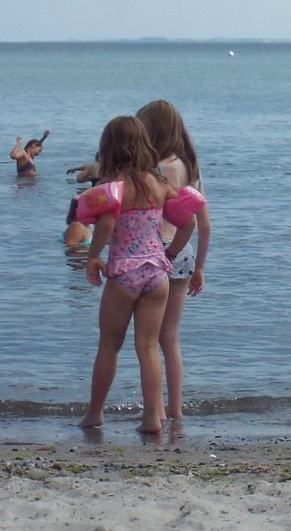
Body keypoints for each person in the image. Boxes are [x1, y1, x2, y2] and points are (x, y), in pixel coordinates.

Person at [74, 115, 200, 434]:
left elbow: (106, 224)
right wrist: (169, 255)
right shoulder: (159, 184)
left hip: (124, 273)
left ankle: (94, 413)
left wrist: (92, 258)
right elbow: (188, 222)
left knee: (109, 346)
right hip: (157, 275)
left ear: (109, 148)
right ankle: (152, 417)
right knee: (148, 347)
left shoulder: (113, 187)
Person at [140, 98, 211, 423]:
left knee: (149, 341)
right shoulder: (190, 166)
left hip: (159, 251)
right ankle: (176, 408)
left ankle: (155, 410)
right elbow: (204, 224)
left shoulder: (157, 169)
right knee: (170, 338)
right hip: (185, 254)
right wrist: (200, 267)